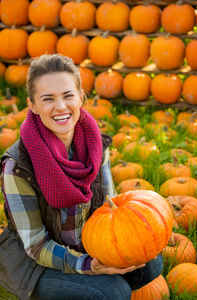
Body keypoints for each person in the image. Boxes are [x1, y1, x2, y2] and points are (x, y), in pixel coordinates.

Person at [0, 54, 163, 300]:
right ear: (32, 105)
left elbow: (111, 207)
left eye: (68, 96)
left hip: (87, 245)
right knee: (112, 293)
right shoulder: (18, 166)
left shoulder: (95, 145)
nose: (61, 107)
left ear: (80, 98)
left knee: (151, 265)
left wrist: (130, 238)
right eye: (48, 99)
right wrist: (89, 266)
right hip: (35, 261)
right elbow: (36, 245)